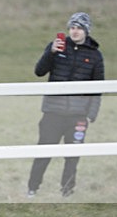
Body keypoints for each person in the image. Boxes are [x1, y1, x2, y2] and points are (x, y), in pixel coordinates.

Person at [26, 12, 104, 198]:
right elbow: (39, 71)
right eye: (72, 28)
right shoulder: (56, 48)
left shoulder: (95, 55)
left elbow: (98, 87)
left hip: (78, 116)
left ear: (86, 31)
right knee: (43, 153)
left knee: (72, 156)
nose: (75, 31)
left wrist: (90, 114)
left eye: (79, 28)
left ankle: (67, 191)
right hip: (53, 112)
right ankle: (32, 189)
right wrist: (50, 52)